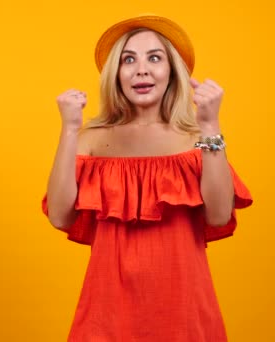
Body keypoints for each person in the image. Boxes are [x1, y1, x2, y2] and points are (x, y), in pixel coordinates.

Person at [42, 15, 253, 341]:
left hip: (184, 312)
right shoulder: (93, 139)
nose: (141, 69)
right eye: (129, 59)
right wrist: (69, 129)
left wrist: (211, 126)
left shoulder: (195, 138)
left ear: (172, 72)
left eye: (155, 58)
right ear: (116, 74)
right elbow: (59, 215)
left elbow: (220, 213)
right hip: (106, 314)